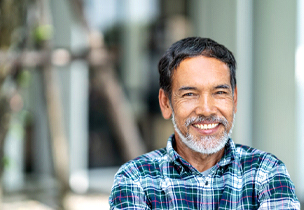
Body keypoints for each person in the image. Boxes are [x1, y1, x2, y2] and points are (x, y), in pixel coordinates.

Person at [109, 37, 300, 209]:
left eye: (219, 93)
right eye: (190, 94)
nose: (207, 109)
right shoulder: (136, 179)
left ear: (234, 100)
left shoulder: (266, 173)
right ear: (165, 103)